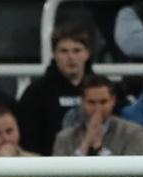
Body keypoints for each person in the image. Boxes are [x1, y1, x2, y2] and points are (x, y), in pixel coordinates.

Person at [17, 25, 93, 156]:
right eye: (64, 51)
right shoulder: (36, 93)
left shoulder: (103, 90)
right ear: (54, 54)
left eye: (77, 50)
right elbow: (28, 141)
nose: (71, 57)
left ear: (87, 53)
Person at [52, 75, 143, 157]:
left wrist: (99, 148)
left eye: (103, 102)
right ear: (82, 102)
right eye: (91, 102)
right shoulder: (64, 139)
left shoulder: (134, 134)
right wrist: (85, 145)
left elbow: (131, 175)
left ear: (113, 100)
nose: (97, 108)